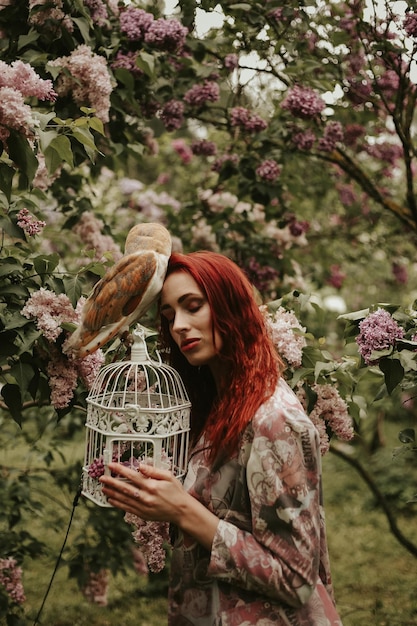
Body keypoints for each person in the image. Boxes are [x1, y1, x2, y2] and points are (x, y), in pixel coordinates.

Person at [100, 250, 343, 625]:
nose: (179, 325)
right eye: (168, 315)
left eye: (193, 306)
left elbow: (296, 578)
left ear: (230, 307)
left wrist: (182, 509)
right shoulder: (218, 406)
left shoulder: (274, 421)